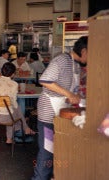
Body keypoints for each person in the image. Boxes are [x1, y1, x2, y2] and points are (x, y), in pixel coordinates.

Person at [31, 36, 88, 180]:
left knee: (58, 149)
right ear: (84, 51)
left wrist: (74, 96)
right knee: (47, 151)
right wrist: (69, 93)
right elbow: (45, 80)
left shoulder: (75, 64)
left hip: (61, 111)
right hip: (49, 112)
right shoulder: (62, 60)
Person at [0, 62, 35, 144]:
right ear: (13, 74)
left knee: (11, 110)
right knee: (14, 109)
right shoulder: (14, 84)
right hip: (5, 118)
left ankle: (25, 128)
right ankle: (12, 137)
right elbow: (13, 103)